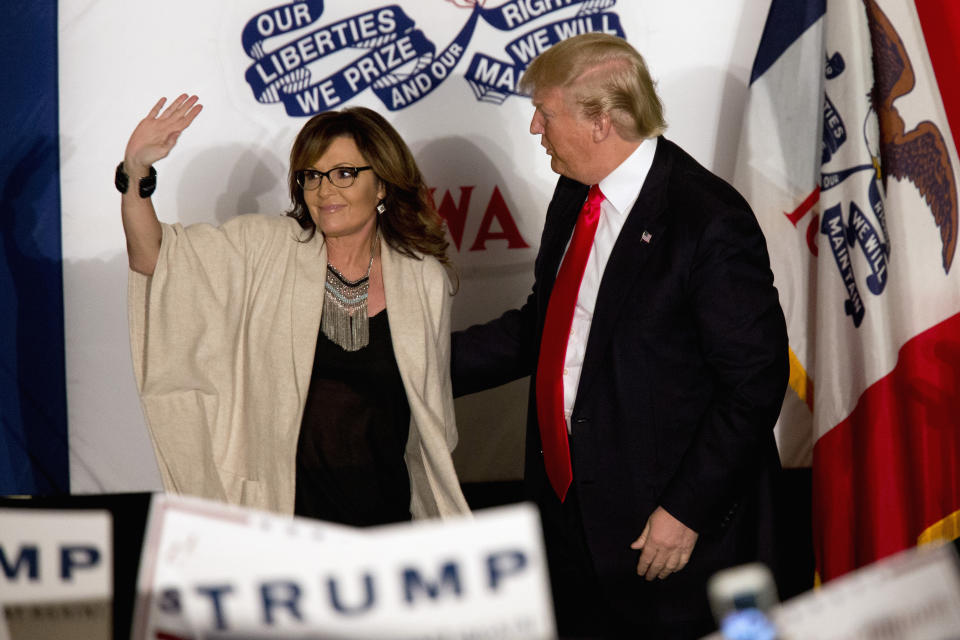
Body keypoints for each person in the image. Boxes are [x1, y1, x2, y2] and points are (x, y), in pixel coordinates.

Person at [452, 33, 788, 638]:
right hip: (569, 519)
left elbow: (755, 384)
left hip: (669, 534)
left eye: (545, 113)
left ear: (602, 121)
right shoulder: (574, 192)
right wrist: (412, 363)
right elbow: (547, 327)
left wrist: (686, 510)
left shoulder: (707, 220)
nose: (534, 129)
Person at [120, 95, 470, 525]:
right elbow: (154, 256)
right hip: (282, 520)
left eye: (344, 173)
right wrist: (136, 170)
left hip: (388, 522)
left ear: (381, 184)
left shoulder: (422, 279)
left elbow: (432, 423)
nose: (326, 191)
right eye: (312, 176)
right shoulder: (265, 248)